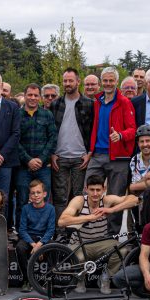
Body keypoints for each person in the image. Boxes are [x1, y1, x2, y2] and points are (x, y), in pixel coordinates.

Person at [57, 174, 139, 277]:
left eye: (98, 190)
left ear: (104, 189)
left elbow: (134, 199)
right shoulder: (79, 200)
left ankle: (106, 277)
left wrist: (111, 209)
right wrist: (89, 217)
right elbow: (61, 221)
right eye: (92, 190)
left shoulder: (106, 200)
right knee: (81, 258)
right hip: (79, 243)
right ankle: (80, 280)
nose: (95, 193)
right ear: (86, 189)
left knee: (122, 250)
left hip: (100, 242)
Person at [87, 67, 136, 227]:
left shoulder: (124, 102)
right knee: (90, 194)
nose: (108, 84)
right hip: (97, 155)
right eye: (105, 81)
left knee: (115, 197)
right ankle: (90, 232)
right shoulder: (97, 101)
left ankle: (111, 236)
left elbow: (133, 129)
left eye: (111, 80)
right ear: (101, 82)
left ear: (116, 82)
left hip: (118, 157)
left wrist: (120, 135)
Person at [50, 67, 94, 206]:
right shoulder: (56, 104)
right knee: (59, 197)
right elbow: (50, 131)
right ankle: (61, 227)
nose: (67, 83)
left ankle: (77, 227)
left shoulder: (89, 104)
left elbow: (93, 130)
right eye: (65, 81)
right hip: (59, 157)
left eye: (70, 80)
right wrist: (52, 153)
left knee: (78, 197)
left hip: (80, 158)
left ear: (78, 82)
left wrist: (89, 153)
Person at [17, 83, 57, 208]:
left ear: (40, 97)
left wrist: (41, 159)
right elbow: (14, 140)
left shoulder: (47, 115)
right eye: (30, 95)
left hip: (43, 166)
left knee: (44, 200)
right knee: (22, 199)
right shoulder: (16, 115)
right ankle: (20, 227)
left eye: (36, 95)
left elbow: (52, 138)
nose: (32, 98)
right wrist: (28, 160)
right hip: (23, 166)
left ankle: (43, 227)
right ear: (24, 96)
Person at [15, 179, 56, 289]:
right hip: (30, 238)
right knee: (20, 247)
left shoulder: (51, 209)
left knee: (53, 247)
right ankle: (26, 280)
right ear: (30, 195)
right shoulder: (26, 208)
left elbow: (51, 230)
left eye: (38, 192)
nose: (36, 195)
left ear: (44, 194)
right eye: (33, 193)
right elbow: (22, 230)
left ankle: (49, 279)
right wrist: (34, 244)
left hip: (43, 238)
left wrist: (40, 245)